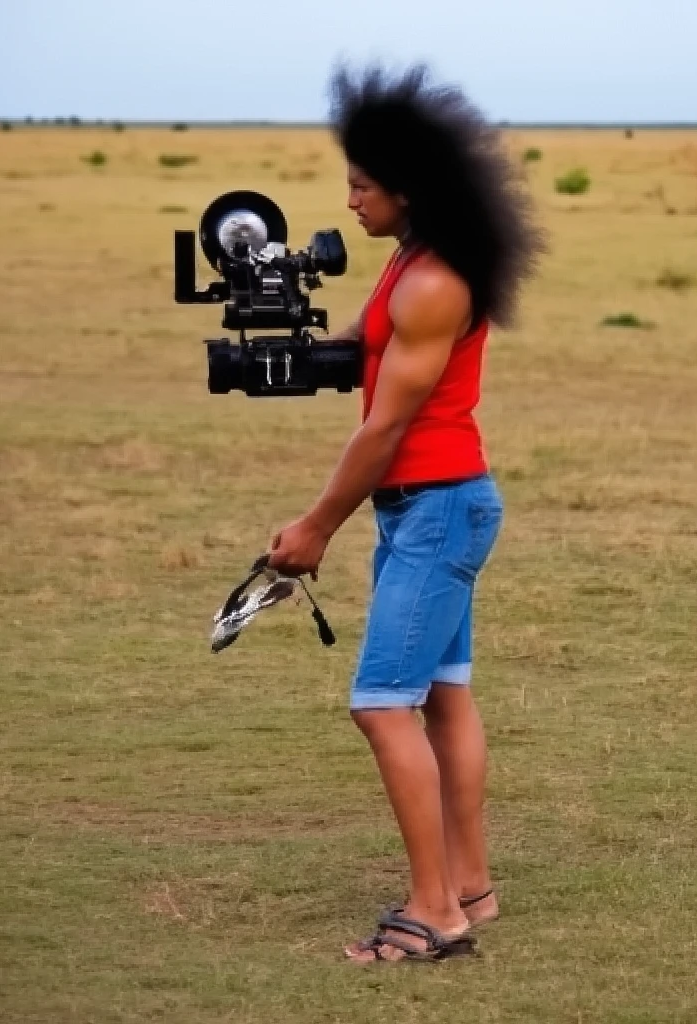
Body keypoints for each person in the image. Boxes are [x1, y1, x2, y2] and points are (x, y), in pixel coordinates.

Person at [267, 64, 543, 963]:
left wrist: (314, 527)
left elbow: (386, 427)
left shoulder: (434, 283)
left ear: (409, 188)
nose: (347, 201)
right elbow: (361, 350)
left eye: (360, 185)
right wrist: (280, 344)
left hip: (434, 507)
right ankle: (471, 885)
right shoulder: (412, 262)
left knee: (383, 706)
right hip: (438, 507)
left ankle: (434, 916)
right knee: (445, 701)